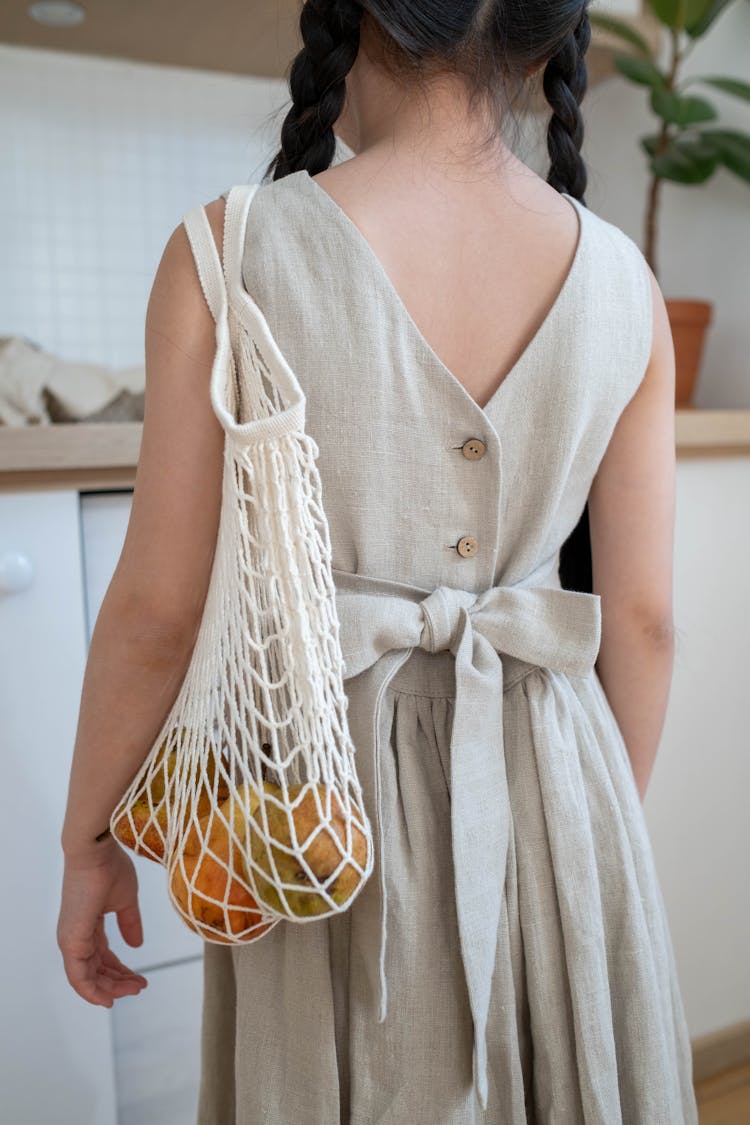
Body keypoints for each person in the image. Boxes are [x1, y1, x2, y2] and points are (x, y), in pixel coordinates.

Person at [58, 1, 700, 1122]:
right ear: (548, 46)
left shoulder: (229, 247)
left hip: (318, 797)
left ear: (348, 24)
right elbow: (640, 619)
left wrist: (93, 840)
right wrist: (594, 832)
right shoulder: (625, 282)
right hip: (560, 777)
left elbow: (158, 610)